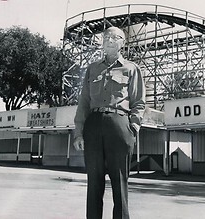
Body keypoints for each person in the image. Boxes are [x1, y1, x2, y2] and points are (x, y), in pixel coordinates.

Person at [73, 26, 146, 219]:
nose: (109, 40)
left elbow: (138, 101)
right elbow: (84, 103)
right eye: (106, 37)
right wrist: (79, 132)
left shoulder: (131, 69)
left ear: (123, 43)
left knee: (119, 182)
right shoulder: (92, 69)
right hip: (94, 125)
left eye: (115, 37)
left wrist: (134, 127)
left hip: (119, 124)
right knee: (94, 183)